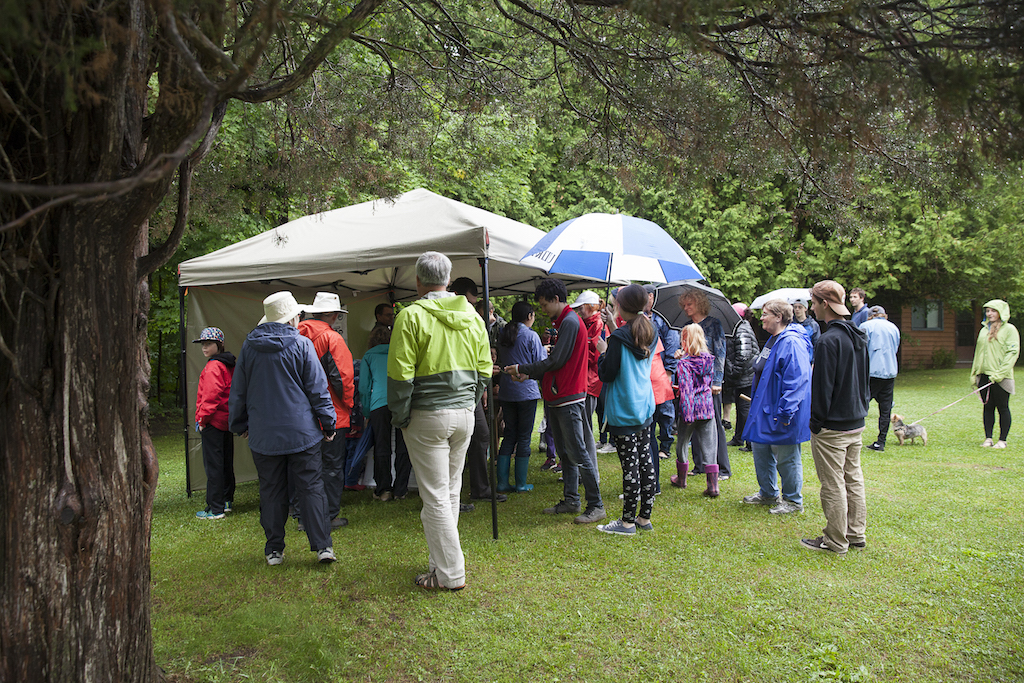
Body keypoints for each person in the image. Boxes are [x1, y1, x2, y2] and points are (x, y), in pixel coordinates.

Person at [388, 252, 490, 590]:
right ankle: (440, 566)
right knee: (449, 491)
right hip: (464, 414)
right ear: (448, 279)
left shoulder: (410, 316)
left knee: (435, 496)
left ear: (418, 281)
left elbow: (401, 377)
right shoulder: (473, 317)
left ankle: (451, 574)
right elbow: (484, 371)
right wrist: (468, 403)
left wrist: (401, 416)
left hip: (426, 416)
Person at [229, 291, 338, 565]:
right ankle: (323, 547)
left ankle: (274, 550)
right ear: (293, 317)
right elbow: (318, 389)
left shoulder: (248, 347)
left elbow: (238, 391)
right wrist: (328, 422)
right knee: (312, 487)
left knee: (271, 490)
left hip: (264, 435)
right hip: (303, 432)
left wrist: (239, 423)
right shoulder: (302, 345)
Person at [506, 278, 606, 525]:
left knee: (578, 452)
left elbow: (556, 361)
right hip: (560, 396)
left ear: (555, 300)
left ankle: (596, 505)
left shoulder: (571, 322)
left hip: (568, 397)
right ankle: (571, 500)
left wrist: (523, 367)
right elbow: (557, 362)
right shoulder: (565, 322)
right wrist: (528, 373)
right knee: (566, 453)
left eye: (543, 304)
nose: (541, 309)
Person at [801, 280, 870, 554]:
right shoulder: (858, 335)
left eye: (814, 303)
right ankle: (855, 534)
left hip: (833, 426)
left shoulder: (829, 340)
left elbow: (823, 387)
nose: (812, 308)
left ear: (825, 304)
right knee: (853, 478)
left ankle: (835, 540)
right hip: (856, 420)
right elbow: (865, 382)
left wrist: (816, 422)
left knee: (833, 483)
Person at [594, 284, 656, 535]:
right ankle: (644, 518)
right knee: (645, 462)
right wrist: (612, 326)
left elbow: (608, 373)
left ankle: (627, 522)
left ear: (619, 304)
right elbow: (631, 345)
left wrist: (602, 352)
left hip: (623, 408)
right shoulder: (649, 329)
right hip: (643, 406)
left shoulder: (618, 338)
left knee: (630, 466)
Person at [740, 300, 812, 515]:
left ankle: (792, 500)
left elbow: (797, 379)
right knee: (761, 450)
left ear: (779, 317)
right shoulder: (774, 339)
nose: (761, 318)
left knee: (787, 456)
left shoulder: (791, 342)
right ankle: (768, 493)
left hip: (782, 411)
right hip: (765, 408)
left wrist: (786, 410)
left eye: (765, 314)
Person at [298, 292, 355, 530]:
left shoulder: (294, 335)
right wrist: (349, 405)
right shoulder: (332, 339)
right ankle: (328, 516)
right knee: (331, 468)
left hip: (300, 416)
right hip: (331, 415)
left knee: (305, 467)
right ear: (333, 315)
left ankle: (303, 515)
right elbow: (343, 378)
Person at [450, 277, 507, 505]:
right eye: (472, 303)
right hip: (457, 391)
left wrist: (482, 383)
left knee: (481, 436)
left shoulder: (470, 319)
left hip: (470, 390)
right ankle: (453, 496)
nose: (473, 308)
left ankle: (479, 488)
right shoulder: (455, 318)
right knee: (455, 444)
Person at [679, 289, 731, 480]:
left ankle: (722, 468)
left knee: (714, 426)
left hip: (709, 384)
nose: (686, 308)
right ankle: (699, 465)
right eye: (684, 305)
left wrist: (717, 381)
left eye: (689, 304)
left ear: (699, 304)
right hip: (691, 386)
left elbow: (720, 352)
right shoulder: (686, 326)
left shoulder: (713, 324)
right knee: (692, 423)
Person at [495, 301, 546, 492]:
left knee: (509, 435)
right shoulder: (531, 336)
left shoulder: (504, 334)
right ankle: (521, 484)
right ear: (530, 316)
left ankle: (501, 483)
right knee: (524, 437)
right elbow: (540, 364)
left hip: (507, 390)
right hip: (526, 391)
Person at [361, 324, 411, 501]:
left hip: (378, 405)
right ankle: (401, 489)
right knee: (403, 446)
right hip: (400, 402)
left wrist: (367, 412)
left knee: (381, 447)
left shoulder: (369, 356)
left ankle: (383, 489)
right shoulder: (400, 352)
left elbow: (364, 388)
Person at [670, 324, 720, 496]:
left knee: (682, 444)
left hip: (689, 409)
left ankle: (681, 479)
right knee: (709, 446)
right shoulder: (709, 359)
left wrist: (687, 414)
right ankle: (713, 486)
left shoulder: (684, 363)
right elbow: (704, 384)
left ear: (686, 339)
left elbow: (686, 390)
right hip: (707, 408)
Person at [193, 326, 236, 520]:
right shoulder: (227, 364)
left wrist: (203, 420)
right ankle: (226, 501)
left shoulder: (213, 367)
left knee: (214, 466)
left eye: (208, 343)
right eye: (202, 343)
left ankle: (216, 508)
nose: (204, 347)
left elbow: (210, 397)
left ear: (219, 344)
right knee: (225, 462)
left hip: (213, 422)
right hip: (226, 421)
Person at [971, 299, 1020, 449]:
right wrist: (974, 373)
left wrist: (1000, 374)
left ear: (1001, 312)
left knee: (1003, 407)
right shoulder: (984, 329)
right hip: (984, 375)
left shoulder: (1010, 329)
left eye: (993, 310)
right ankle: (988, 438)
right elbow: (979, 353)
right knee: (988, 407)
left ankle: (1002, 440)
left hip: (1001, 376)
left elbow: (1012, 353)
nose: (989, 313)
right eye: (987, 311)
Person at [643, 284, 679, 459]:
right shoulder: (641, 317)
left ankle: (665, 445)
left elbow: (672, 342)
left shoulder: (663, 317)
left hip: (663, 370)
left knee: (665, 410)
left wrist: (669, 370)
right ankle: (649, 442)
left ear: (650, 296)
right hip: (645, 372)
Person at [861, 305, 901, 452]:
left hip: (871, 373)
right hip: (889, 372)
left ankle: (854, 436)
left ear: (870, 315)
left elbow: (861, 349)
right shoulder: (893, 328)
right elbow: (895, 347)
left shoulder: (865, 326)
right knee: (885, 409)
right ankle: (881, 442)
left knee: (862, 405)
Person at [572, 290, 604, 474]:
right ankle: (586, 471)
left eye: (581, 308)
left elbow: (595, 356)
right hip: (585, 380)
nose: (579, 311)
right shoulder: (589, 323)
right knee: (583, 428)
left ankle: (592, 473)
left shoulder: (598, 324)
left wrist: (578, 346)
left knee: (585, 429)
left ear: (588, 306)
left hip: (590, 382)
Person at [723, 305, 759, 451]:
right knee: (741, 407)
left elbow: (744, 355)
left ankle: (749, 442)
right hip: (743, 376)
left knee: (745, 409)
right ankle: (739, 438)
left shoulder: (742, 328)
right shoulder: (741, 327)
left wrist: (732, 371)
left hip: (746, 376)